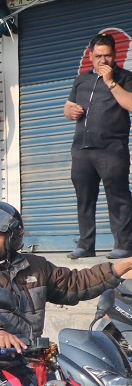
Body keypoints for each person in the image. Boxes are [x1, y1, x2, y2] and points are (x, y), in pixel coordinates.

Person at [0, 201, 132, 350]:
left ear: (12, 236)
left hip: (28, 357)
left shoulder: (36, 267)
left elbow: (75, 283)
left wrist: (126, 264)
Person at [63, 32, 132, 259]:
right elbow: (68, 107)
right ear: (91, 56)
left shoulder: (125, 78)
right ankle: (85, 245)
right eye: (99, 56)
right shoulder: (81, 80)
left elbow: (129, 104)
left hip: (112, 148)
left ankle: (123, 245)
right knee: (84, 199)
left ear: (115, 56)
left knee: (118, 197)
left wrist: (110, 81)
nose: (103, 61)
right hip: (82, 149)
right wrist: (69, 111)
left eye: (108, 56)